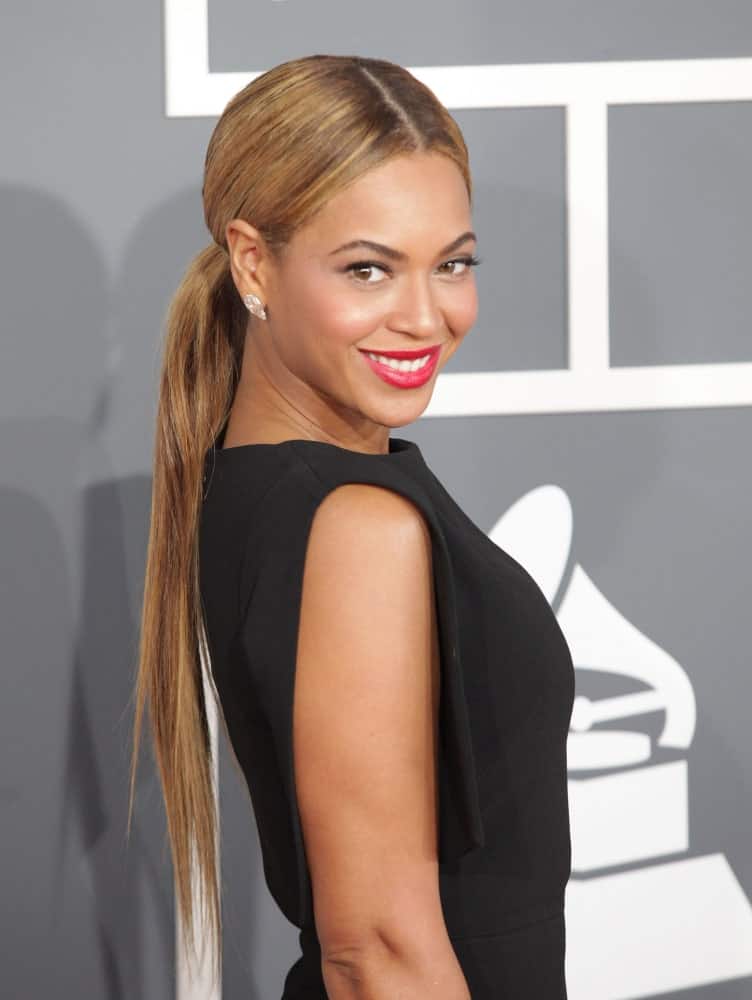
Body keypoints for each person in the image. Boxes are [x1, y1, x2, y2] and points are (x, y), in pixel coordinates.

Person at [129, 53, 575, 998]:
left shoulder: (266, 487)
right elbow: (377, 954)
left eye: (452, 263)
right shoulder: (357, 527)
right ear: (254, 262)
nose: (426, 318)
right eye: (369, 269)